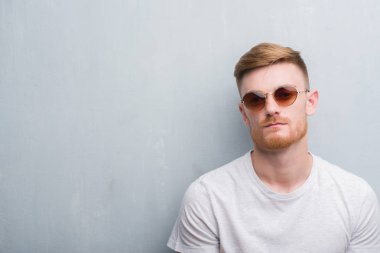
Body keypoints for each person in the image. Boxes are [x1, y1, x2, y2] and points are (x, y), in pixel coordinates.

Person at [167, 43, 380, 253]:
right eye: (255, 99)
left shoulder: (356, 198)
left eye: (284, 94)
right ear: (244, 114)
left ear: (310, 102)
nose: (270, 108)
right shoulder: (207, 198)